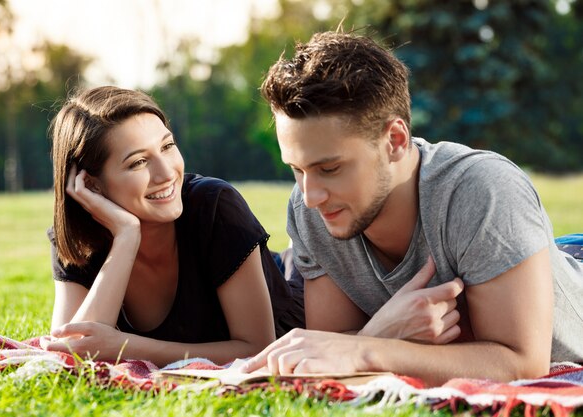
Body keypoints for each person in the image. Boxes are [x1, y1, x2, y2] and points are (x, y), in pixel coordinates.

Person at [242, 31, 583, 386]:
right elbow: (332, 354)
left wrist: (371, 349)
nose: (310, 195)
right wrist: (381, 332)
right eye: (297, 169)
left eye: (330, 169)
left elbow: (522, 363)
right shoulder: (310, 207)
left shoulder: (483, 190)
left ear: (395, 141)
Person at [42, 86, 303, 367]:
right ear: (91, 184)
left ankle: (301, 242)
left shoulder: (215, 205)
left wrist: (125, 347)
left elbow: (257, 348)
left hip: (293, 290)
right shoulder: (79, 237)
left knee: (305, 258)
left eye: (167, 146)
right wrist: (127, 237)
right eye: (138, 162)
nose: (166, 174)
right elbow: (72, 352)